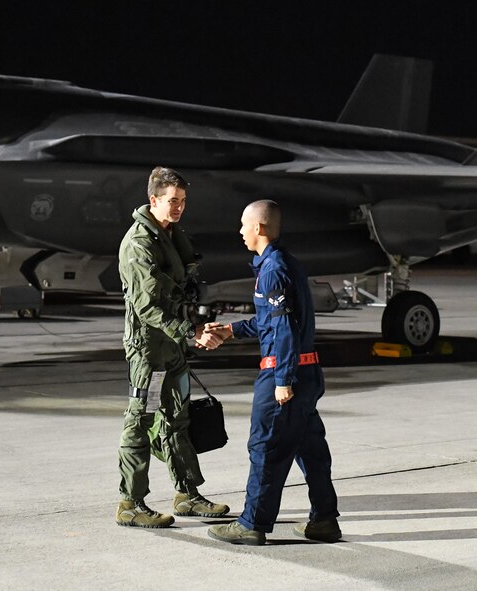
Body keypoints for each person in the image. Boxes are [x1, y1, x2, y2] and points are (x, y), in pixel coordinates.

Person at [197, 199, 341, 545]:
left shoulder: (273, 270)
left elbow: (285, 330)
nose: (240, 231)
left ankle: (252, 523)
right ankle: (324, 520)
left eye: (244, 225)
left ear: (259, 228)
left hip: (283, 372)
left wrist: (282, 381)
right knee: (310, 449)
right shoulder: (284, 263)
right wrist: (231, 330)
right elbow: (269, 323)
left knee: (265, 447)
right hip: (307, 373)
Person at [116, 166, 230, 528]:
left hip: (173, 350)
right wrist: (190, 332)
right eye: (171, 201)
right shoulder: (138, 245)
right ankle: (130, 503)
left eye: (182, 201)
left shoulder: (172, 236)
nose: (178, 207)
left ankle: (187, 495)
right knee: (141, 419)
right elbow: (149, 308)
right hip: (150, 352)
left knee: (178, 419)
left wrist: (192, 327)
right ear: (154, 200)